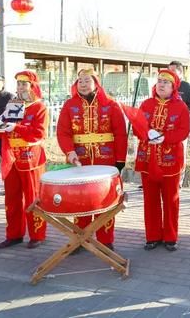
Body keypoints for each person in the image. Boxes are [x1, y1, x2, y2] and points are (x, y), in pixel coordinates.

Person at [56, 68, 128, 251]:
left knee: (105, 200)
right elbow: (63, 132)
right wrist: (69, 152)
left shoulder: (111, 105)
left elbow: (120, 134)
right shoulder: (69, 105)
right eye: (80, 80)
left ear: (96, 83)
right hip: (80, 160)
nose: (83, 84)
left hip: (106, 161)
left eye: (87, 80)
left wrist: (120, 160)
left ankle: (106, 240)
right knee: (80, 201)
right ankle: (80, 238)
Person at [134, 69, 190, 251]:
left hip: (170, 160)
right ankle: (153, 236)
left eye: (166, 82)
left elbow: (183, 131)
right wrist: (145, 133)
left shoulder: (181, 107)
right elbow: (136, 127)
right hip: (147, 158)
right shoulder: (146, 104)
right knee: (150, 199)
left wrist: (165, 137)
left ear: (173, 87)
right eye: (159, 81)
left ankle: (170, 237)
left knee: (170, 200)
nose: (161, 85)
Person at [0, 70, 48, 249]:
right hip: (11, 157)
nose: (20, 88)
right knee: (11, 198)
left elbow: (39, 133)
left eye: (24, 84)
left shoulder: (39, 107)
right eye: (18, 84)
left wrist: (16, 128)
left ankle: (37, 234)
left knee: (33, 196)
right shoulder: (13, 104)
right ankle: (14, 234)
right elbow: (4, 124)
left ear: (33, 86)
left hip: (31, 157)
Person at [168, 60, 190, 188]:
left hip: (180, 128)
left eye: (173, 70)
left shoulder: (187, 87)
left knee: (180, 153)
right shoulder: (164, 85)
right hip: (165, 127)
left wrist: (182, 117)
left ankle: (178, 181)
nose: (170, 73)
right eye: (169, 70)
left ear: (180, 72)